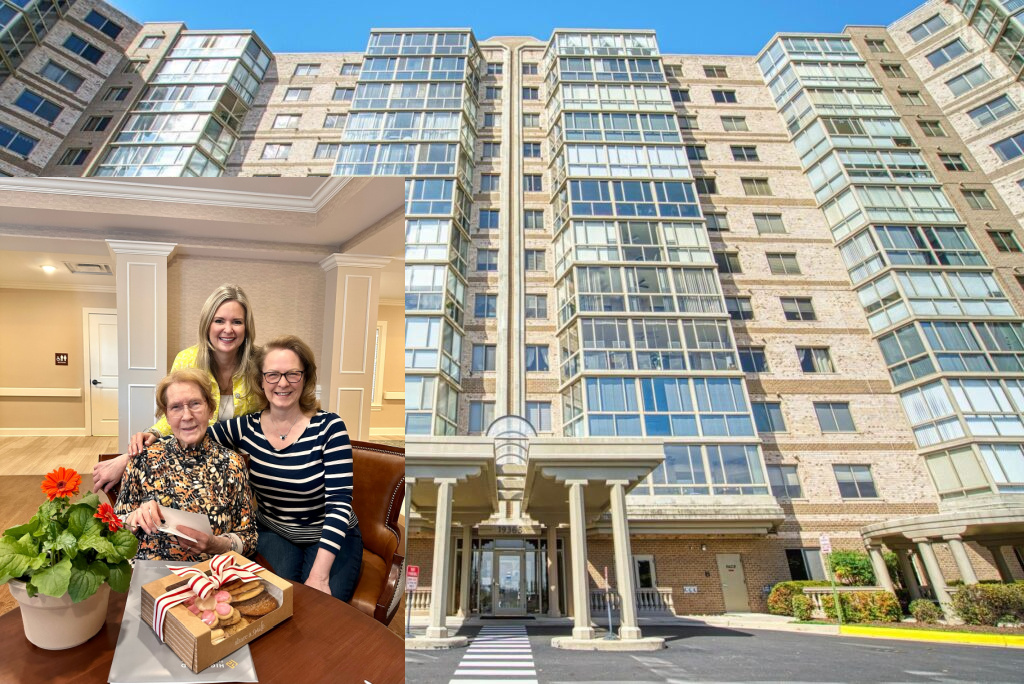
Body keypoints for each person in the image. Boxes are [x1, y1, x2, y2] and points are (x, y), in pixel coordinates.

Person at [207, 335, 362, 601]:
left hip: (329, 535)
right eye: (273, 375)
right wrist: (131, 454)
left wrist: (319, 576)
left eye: (292, 374)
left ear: (305, 378)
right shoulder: (246, 426)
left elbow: (339, 504)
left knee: (320, 609)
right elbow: (190, 436)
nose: (282, 383)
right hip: (274, 532)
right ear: (260, 380)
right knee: (267, 603)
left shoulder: (330, 428)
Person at [93, 284, 260, 492]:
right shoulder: (187, 359)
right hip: (195, 463)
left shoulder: (260, 364)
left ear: (247, 327)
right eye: (219, 321)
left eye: (237, 322)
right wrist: (137, 450)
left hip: (246, 469)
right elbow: (175, 413)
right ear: (207, 324)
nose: (228, 329)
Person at [115, 368, 256, 561]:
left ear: (210, 409)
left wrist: (215, 544)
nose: (187, 416)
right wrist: (133, 521)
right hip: (151, 575)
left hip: (211, 574)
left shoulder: (232, 464)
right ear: (166, 414)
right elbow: (115, 530)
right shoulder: (143, 458)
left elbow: (249, 539)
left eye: (195, 404)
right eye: (176, 407)